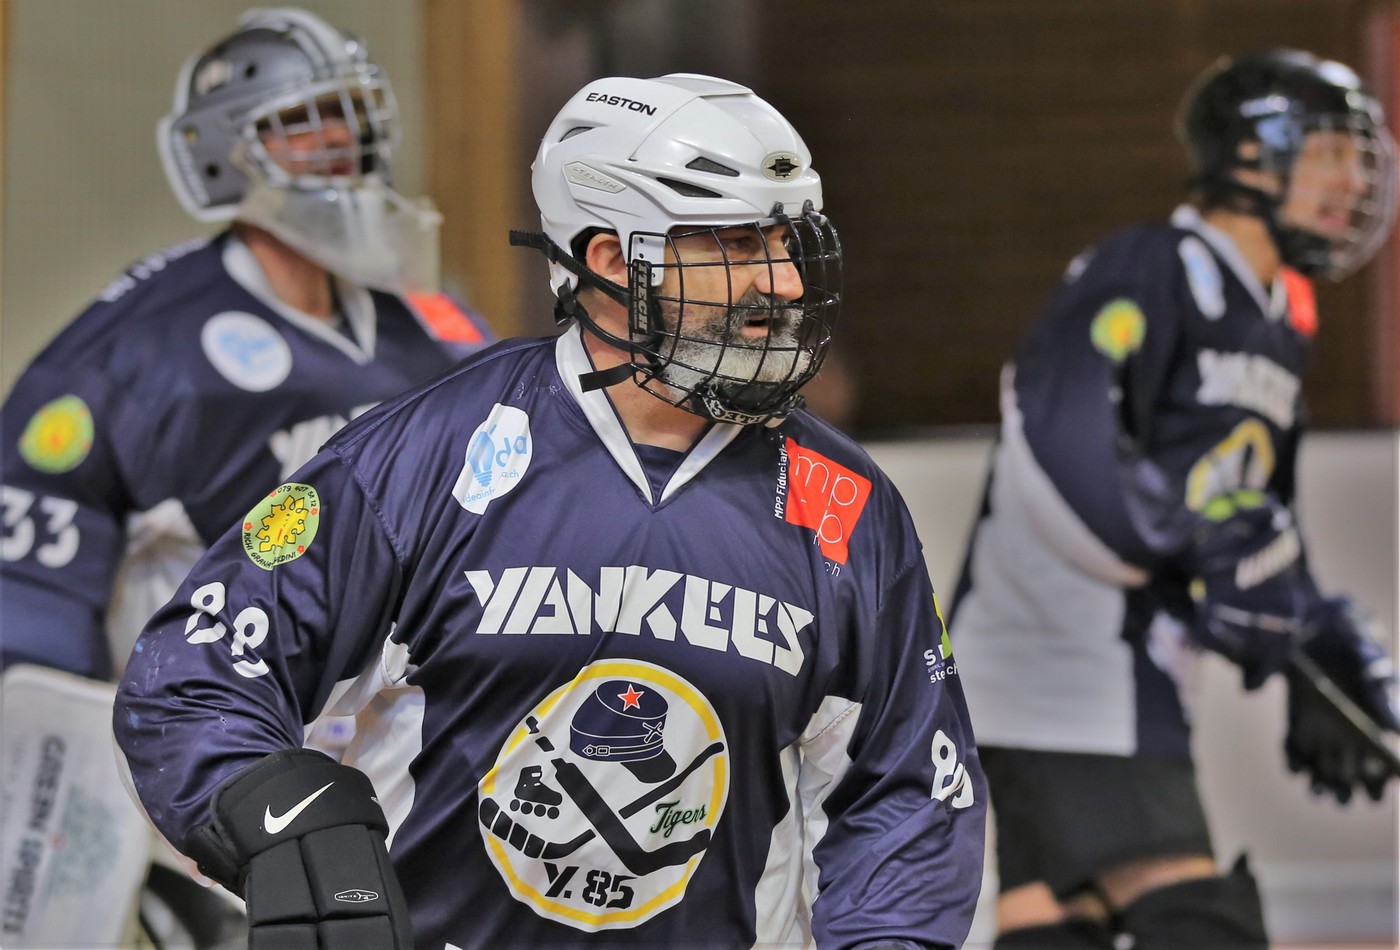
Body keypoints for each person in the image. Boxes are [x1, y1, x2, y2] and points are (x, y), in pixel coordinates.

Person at [113, 72, 987, 949]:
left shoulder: (846, 506)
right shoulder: (418, 457)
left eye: (787, 241)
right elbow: (197, 673)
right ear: (611, 258)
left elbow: (908, 796)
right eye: (737, 242)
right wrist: (280, 816)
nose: (787, 283)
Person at [0, 8, 492, 946]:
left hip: (407, 765)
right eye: (302, 120)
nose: (339, 140)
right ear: (226, 152)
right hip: (203, 778)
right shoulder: (139, 347)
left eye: (350, 113)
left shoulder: (435, 328)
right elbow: (29, 590)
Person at [947, 49, 1400, 950]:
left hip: (1120, 668)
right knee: (1198, 920)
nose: (1354, 182)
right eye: (1329, 154)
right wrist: (1202, 550)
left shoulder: (1280, 321)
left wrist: (1310, 643)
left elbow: (1258, 512)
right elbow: (1057, 431)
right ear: (1248, 155)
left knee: (1054, 917)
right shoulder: (1150, 264)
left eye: (1360, 161)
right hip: (1060, 651)